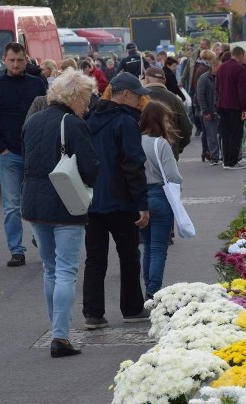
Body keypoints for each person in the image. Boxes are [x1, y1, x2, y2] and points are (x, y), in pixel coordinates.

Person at [21, 69, 100, 357]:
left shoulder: (33, 121)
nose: (88, 105)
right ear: (75, 97)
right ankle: (60, 335)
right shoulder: (73, 123)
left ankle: (56, 328)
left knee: (50, 268)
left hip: (35, 203)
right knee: (66, 269)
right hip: (66, 203)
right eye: (87, 98)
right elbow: (90, 168)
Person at [83, 72, 151, 329]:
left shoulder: (89, 119)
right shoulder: (126, 122)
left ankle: (93, 313)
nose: (139, 101)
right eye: (137, 96)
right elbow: (133, 164)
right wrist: (142, 203)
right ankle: (132, 307)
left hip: (92, 199)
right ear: (125, 95)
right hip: (122, 201)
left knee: (95, 259)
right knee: (129, 255)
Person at [0, 42, 47, 267]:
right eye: (11, 60)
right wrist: (1, 148)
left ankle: (41, 238)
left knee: (38, 200)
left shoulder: (37, 84)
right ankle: (16, 250)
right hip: (9, 154)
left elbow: (48, 115)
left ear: (26, 60)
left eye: (19, 60)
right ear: (4, 60)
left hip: (36, 153)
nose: (15, 64)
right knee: (11, 206)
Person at [139, 101, 184, 299]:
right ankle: (153, 291)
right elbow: (173, 175)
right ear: (157, 120)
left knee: (147, 246)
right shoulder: (161, 144)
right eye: (166, 120)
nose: (168, 125)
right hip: (160, 195)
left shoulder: (136, 141)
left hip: (140, 196)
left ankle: (149, 286)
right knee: (159, 247)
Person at [143, 65, 192, 159]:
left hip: (145, 153)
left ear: (147, 79)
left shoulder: (139, 98)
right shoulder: (174, 99)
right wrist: (178, 146)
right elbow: (186, 128)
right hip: (170, 149)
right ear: (164, 81)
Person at [216, 46, 246, 170]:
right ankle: (232, 161)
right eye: (244, 57)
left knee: (226, 133)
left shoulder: (222, 67)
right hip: (234, 105)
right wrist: (244, 108)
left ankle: (226, 160)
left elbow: (217, 87)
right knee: (236, 134)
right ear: (239, 55)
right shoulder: (239, 69)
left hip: (222, 104)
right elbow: (242, 90)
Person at [198, 54, 222, 165]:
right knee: (211, 136)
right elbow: (200, 96)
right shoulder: (203, 78)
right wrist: (205, 111)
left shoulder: (221, 77)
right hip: (209, 111)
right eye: (219, 67)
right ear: (213, 66)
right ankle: (214, 157)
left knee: (222, 135)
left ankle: (224, 155)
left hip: (221, 111)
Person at [189, 49, 215, 145]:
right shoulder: (204, 69)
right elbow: (201, 90)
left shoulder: (199, 66)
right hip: (203, 100)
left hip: (199, 100)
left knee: (206, 129)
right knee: (207, 129)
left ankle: (206, 151)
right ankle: (207, 150)